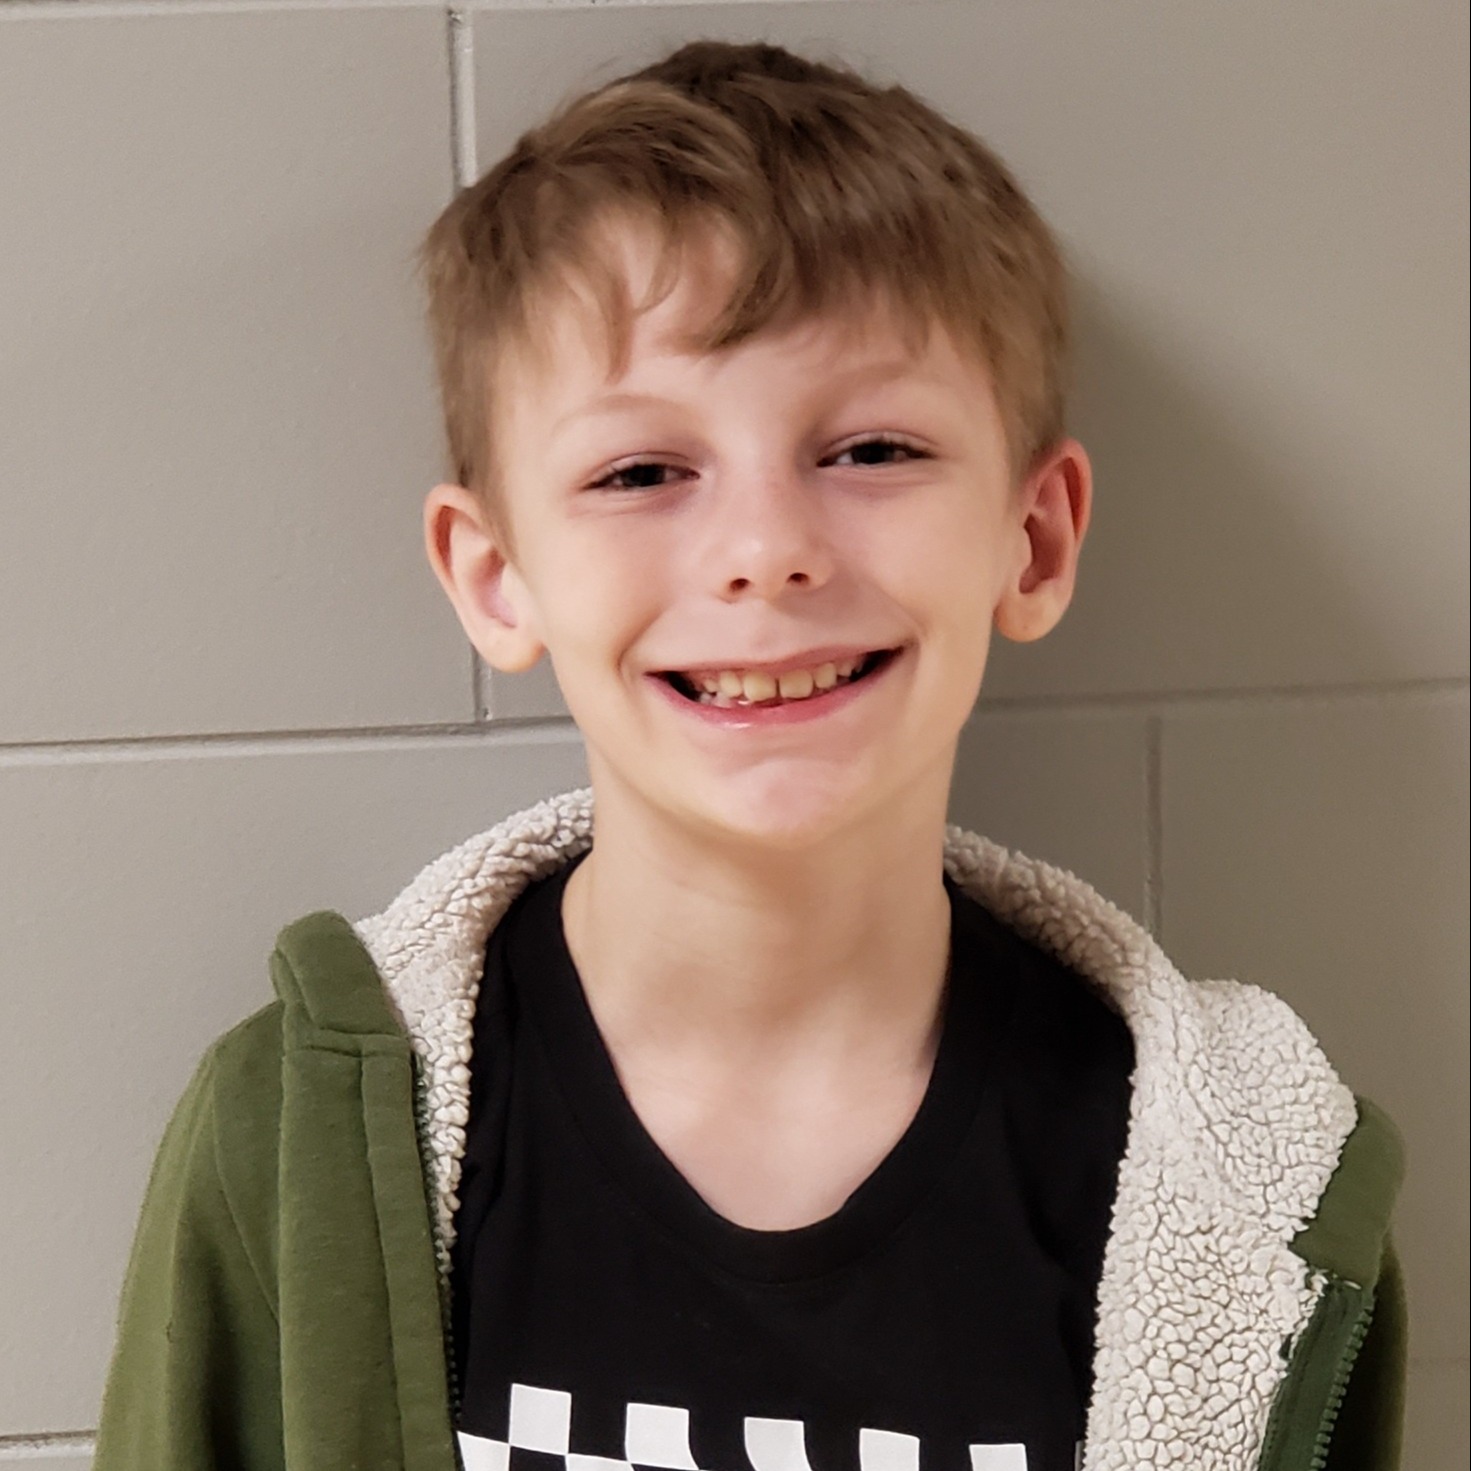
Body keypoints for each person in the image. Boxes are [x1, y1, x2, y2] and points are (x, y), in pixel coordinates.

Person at [92, 38, 1406, 1471]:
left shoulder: (1258, 1208)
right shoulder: (292, 1141)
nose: (768, 552)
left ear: (1031, 542)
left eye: (872, 452)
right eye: (641, 472)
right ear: (494, 577)